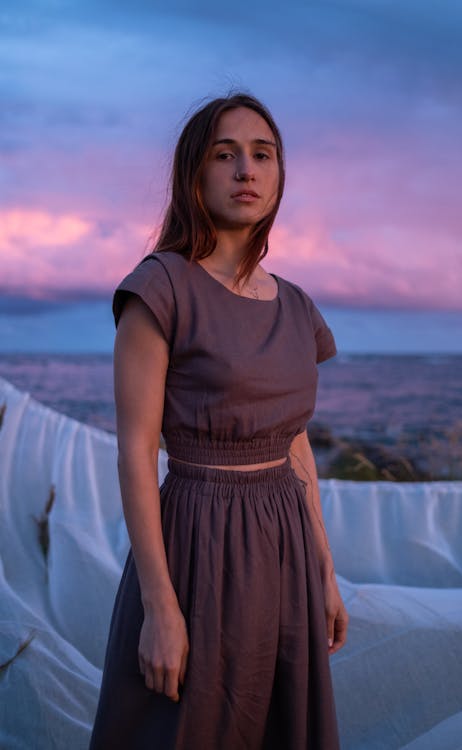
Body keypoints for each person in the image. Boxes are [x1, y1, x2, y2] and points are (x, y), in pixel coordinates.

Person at [88, 92, 349, 750]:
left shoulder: (297, 305)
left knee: (274, 723)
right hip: (198, 542)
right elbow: (135, 452)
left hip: (283, 546)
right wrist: (160, 604)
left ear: (280, 175)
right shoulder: (161, 288)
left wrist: (325, 571)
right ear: (194, 175)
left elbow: (294, 441)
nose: (246, 171)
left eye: (262, 155)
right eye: (224, 155)